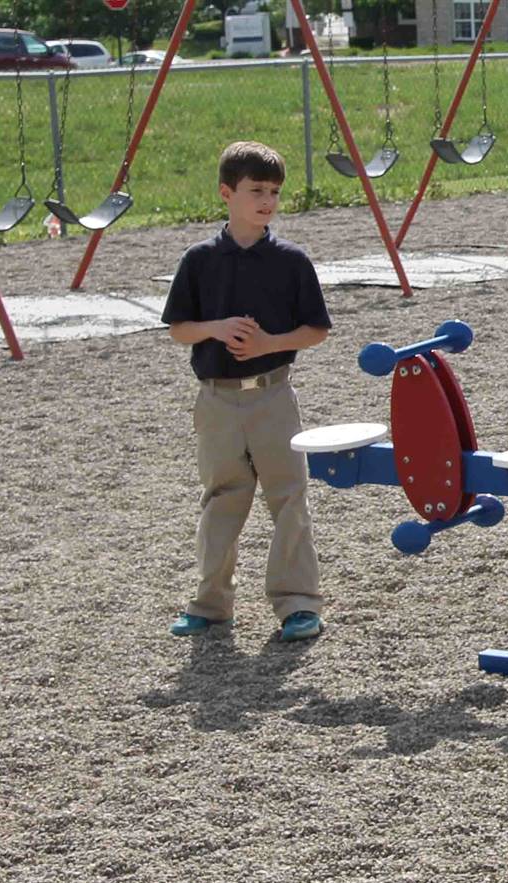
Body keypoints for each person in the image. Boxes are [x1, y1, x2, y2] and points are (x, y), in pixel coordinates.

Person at [162, 141, 330, 641]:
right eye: (256, 190)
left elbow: (317, 330)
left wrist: (270, 343)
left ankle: (299, 604)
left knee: (289, 498)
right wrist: (216, 328)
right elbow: (179, 329)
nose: (267, 201)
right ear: (226, 193)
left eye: (274, 192)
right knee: (222, 498)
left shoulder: (292, 262)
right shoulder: (198, 260)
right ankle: (212, 605)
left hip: (274, 397)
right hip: (215, 399)